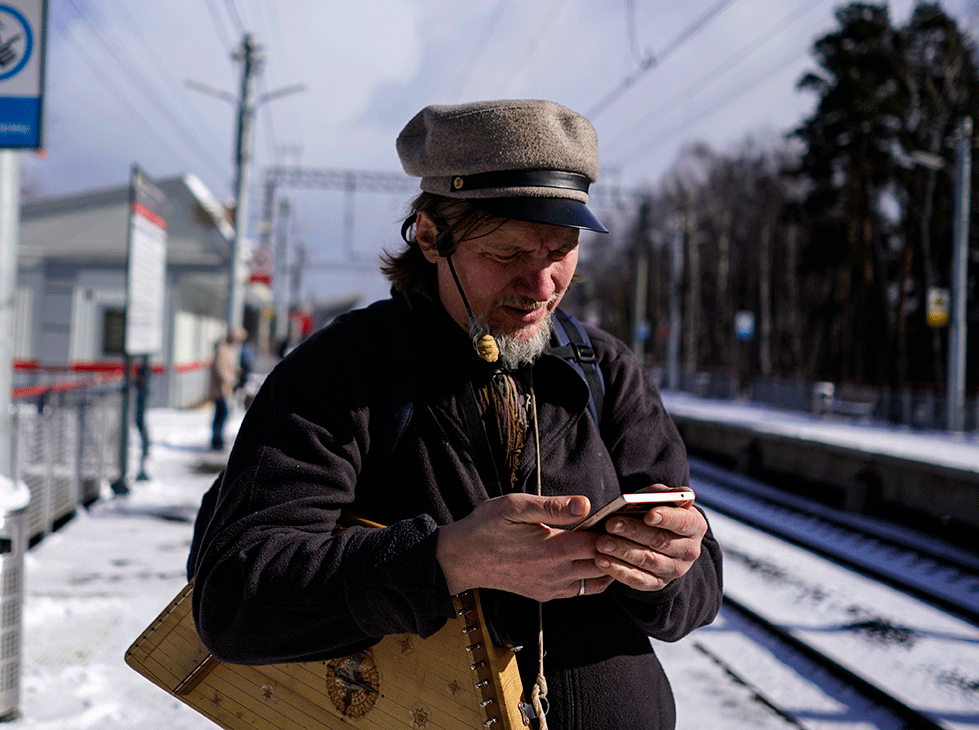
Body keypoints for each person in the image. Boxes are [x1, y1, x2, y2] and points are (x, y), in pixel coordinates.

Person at [188, 99, 723, 730]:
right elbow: (235, 599)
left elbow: (700, 593)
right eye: (508, 254)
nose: (544, 283)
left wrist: (671, 566)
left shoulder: (605, 368)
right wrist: (445, 562)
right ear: (430, 235)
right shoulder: (341, 372)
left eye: (562, 249)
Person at [208, 328, 244, 451]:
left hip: (225, 387)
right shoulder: (222, 348)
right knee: (221, 413)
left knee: (222, 413)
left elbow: (229, 365)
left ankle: (218, 438)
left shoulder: (229, 349)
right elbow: (220, 368)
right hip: (220, 387)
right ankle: (216, 439)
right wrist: (231, 380)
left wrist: (237, 371)